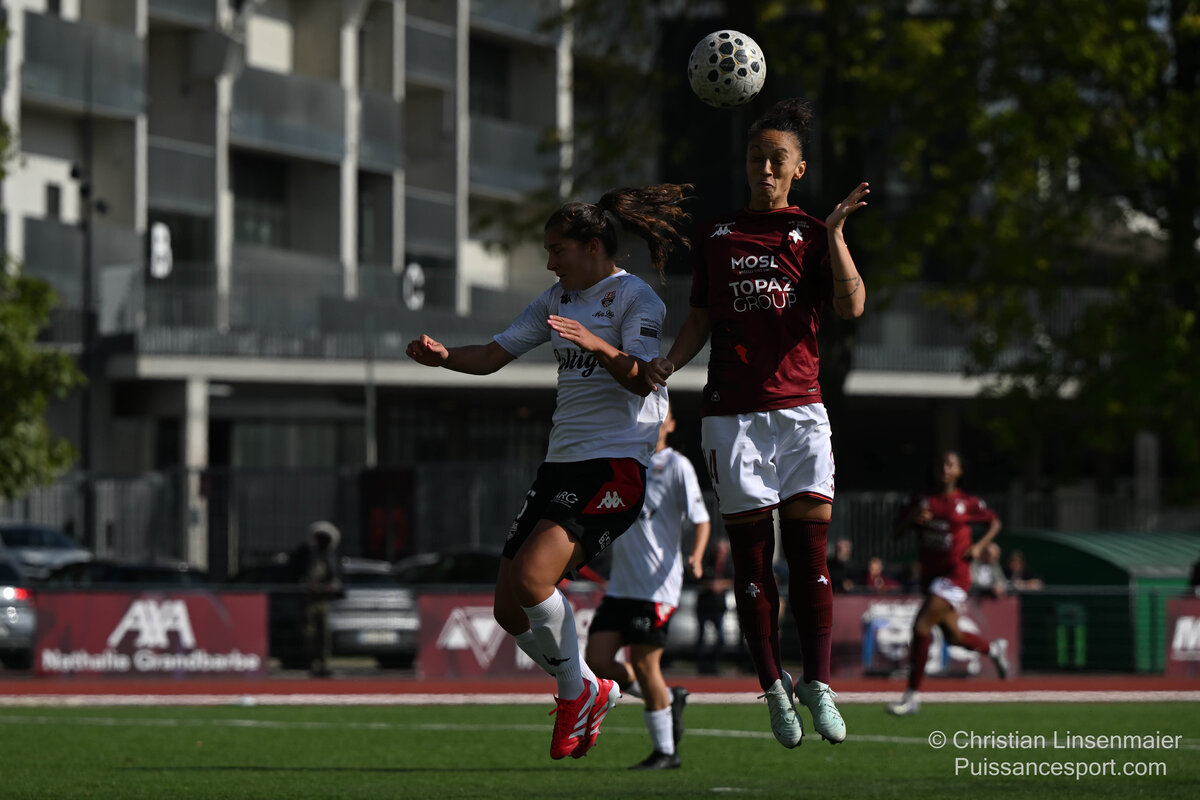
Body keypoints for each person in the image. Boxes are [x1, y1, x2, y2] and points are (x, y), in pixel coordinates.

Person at [405, 184, 691, 761]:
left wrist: (598, 345)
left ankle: (576, 691)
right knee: (508, 609)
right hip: (561, 463)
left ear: (592, 246)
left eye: (558, 249)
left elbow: (643, 379)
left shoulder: (635, 298)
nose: (550, 262)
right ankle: (587, 686)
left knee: (535, 580)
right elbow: (492, 356)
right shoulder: (556, 298)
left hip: (615, 465)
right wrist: (445, 358)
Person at [646, 97, 869, 748]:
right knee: (751, 563)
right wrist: (669, 363)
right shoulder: (716, 235)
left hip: (802, 414)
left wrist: (836, 235)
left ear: (799, 169)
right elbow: (699, 318)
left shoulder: (812, 233)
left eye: (778, 159)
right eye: (755, 158)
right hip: (733, 418)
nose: (765, 169)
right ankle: (773, 686)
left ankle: (817, 683)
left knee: (810, 559)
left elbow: (852, 306)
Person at [585, 406, 712, 770]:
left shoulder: (676, 466)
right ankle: (667, 698)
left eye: (660, 417)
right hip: (620, 587)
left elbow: (701, 520)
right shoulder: (625, 461)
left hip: (656, 588)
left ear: (670, 425)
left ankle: (666, 751)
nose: (652, 422)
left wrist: (696, 557)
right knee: (596, 661)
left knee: (644, 663)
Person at [887, 451, 1011, 716]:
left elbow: (995, 523)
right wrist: (911, 520)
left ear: (959, 471)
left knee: (921, 626)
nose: (945, 468)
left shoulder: (966, 502)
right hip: (931, 577)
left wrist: (979, 546)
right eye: (941, 464)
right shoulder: (920, 499)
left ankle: (912, 697)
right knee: (954, 637)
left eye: (950, 464)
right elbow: (896, 532)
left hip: (956, 575)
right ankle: (993, 649)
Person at [289, 520, 344, 677]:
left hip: (323, 600)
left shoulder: (330, 556)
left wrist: (332, 586)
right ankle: (312, 663)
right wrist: (307, 584)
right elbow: (294, 573)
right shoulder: (305, 554)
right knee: (309, 632)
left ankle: (324, 663)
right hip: (308, 600)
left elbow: (336, 576)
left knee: (325, 633)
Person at [695, 535, 735, 674]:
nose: (721, 554)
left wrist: (720, 584)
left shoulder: (729, 566)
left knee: (721, 637)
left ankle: (714, 663)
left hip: (719, 606)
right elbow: (698, 578)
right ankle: (701, 665)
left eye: (723, 552)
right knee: (702, 637)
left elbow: (732, 580)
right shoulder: (707, 562)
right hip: (704, 605)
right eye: (719, 551)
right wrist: (711, 585)